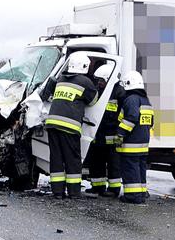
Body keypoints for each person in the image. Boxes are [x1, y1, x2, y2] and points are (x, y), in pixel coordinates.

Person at [41, 52, 97, 198]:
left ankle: (58, 192)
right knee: (72, 159)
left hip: (52, 124)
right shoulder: (85, 82)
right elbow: (93, 101)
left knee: (56, 158)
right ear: (84, 66)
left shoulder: (60, 79)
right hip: (69, 126)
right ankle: (73, 192)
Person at [116, 70, 154, 204]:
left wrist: (120, 133)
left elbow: (131, 118)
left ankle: (133, 196)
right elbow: (151, 122)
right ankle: (141, 193)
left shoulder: (131, 99)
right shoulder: (146, 101)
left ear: (127, 84)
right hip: (143, 143)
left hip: (131, 143)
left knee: (130, 169)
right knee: (140, 169)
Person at [86, 63, 123, 197]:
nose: (99, 83)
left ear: (109, 79)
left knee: (113, 163)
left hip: (112, 135)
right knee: (96, 161)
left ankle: (114, 189)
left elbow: (122, 114)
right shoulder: (99, 90)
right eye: (98, 80)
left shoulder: (119, 92)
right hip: (98, 133)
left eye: (101, 80)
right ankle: (98, 186)